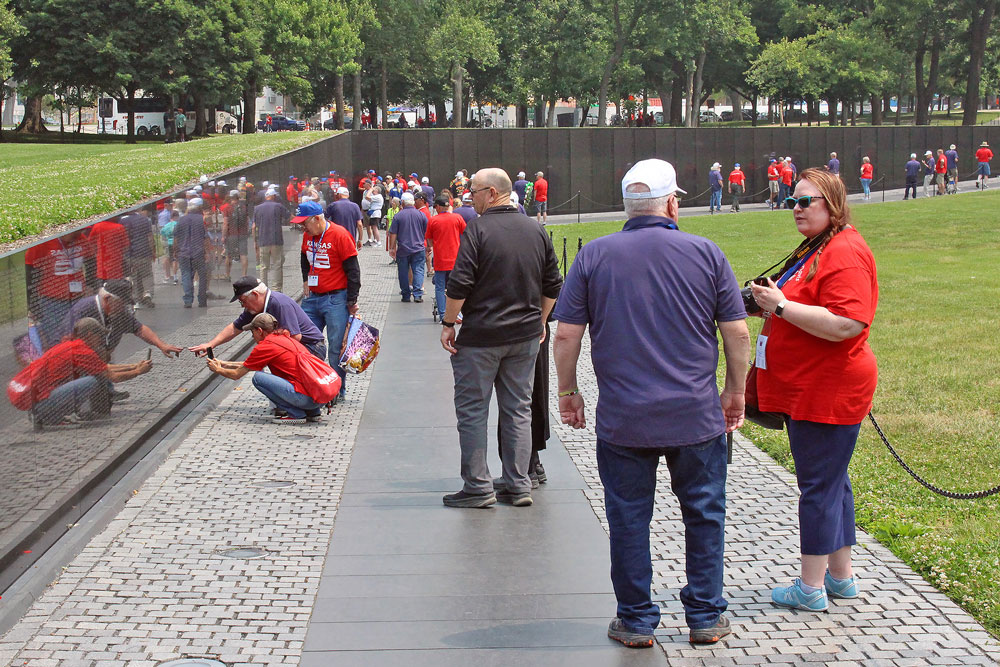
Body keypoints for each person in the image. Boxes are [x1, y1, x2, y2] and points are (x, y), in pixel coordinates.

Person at [553, 158, 748, 647]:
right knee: (705, 513)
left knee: (628, 518)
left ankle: (636, 619)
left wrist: (568, 391)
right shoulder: (706, 252)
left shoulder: (594, 255)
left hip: (624, 418)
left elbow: (566, 336)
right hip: (695, 416)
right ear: (672, 203)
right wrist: (735, 391)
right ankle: (705, 615)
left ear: (628, 205)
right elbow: (738, 332)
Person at [749, 168, 878, 614]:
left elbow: (848, 323)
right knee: (832, 483)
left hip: (828, 390)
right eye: (792, 201)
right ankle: (840, 578)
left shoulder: (844, 251)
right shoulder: (820, 245)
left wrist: (781, 305)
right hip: (811, 386)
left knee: (818, 488)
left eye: (806, 202)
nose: (797, 209)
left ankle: (810, 587)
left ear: (834, 204)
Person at [439, 168, 562, 509]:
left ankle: (478, 486)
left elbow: (459, 283)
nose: (470, 198)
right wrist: (540, 319)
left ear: (492, 193)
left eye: (474, 192)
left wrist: (449, 322)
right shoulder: (536, 229)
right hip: (524, 336)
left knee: (473, 411)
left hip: (482, 337)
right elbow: (553, 283)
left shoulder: (477, 230)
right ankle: (518, 483)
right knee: (518, 409)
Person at [8, 317, 152, 429]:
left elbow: (104, 367)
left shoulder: (72, 345)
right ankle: (45, 415)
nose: (101, 339)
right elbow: (112, 377)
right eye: (99, 335)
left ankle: (45, 413)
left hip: (38, 396)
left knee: (90, 377)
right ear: (89, 335)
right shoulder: (82, 351)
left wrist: (134, 366)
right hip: (40, 400)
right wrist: (138, 372)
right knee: (90, 382)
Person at [206, 313, 335, 423]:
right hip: (317, 397)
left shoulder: (265, 346)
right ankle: (313, 413)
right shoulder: (284, 338)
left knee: (258, 378)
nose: (252, 337)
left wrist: (217, 370)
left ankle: (296, 414)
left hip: (305, 399)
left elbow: (236, 374)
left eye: (253, 332)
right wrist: (223, 363)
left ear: (260, 331)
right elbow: (249, 364)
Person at [293, 200, 360, 401]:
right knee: (305, 342)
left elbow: (353, 270)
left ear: (317, 219)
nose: (302, 227)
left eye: (304, 222)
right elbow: (304, 257)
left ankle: (336, 390)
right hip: (312, 299)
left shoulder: (339, 235)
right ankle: (312, 385)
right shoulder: (308, 235)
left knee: (335, 345)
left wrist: (352, 300)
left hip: (336, 298)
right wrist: (306, 279)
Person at [190, 277, 327, 365]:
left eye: (243, 301)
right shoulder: (255, 308)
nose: (243, 306)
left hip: (312, 348)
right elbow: (235, 328)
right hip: (300, 348)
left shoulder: (279, 304)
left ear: (255, 295)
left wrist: (266, 353)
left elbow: (295, 337)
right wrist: (211, 344)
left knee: (273, 362)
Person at [59, 278, 182, 359]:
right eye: (121, 303)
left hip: (101, 359)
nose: (124, 307)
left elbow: (139, 329)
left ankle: (108, 390)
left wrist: (161, 345)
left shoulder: (118, 313)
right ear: (107, 299)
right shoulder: (83, 310)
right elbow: (66, 342)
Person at [425, 195, 467, 314]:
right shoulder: (457, 218)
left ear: (438, 207)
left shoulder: (433, 220)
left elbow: (429, 241)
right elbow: (466, 233)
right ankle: (457, 313)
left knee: (439, 287)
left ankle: (443, 314)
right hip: (456, 259)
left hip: (440, 260)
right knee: (456, 287)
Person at [388, 192, 427, 302]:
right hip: (419, 248)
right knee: (418, 270)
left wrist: (392, 248)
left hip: (403, 249)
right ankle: (418, 294)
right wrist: (428, 246)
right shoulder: (421, 215)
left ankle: (406, 295)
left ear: (403, 202)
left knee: (403, 272)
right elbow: (427, 232)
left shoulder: (398, 216)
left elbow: (393, 233)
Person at [174, 197, 209, 308]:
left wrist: (175, 250)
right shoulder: (201, 220)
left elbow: (175, 238)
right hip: (199, 252)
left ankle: (188, 300)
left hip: (184, 252)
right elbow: (205, 237)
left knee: (186, 275)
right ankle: (202, 300)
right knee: (202, 275)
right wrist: (207, 252)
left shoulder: (180, 220)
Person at [252, 189, 290, 293]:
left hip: (263, 240)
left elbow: (254, 225)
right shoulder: (278, 206)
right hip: (276, 239)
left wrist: (255, 240)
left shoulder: (257, 208)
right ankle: (276, 289)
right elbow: (288, 216)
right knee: (277, 264)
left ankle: (263, 288)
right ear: (273, 196)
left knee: (264, 266)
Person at [119, 207, 156, 307]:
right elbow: (150, 236)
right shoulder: (144, 219)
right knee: (147, 274)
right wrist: (152, 250)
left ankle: (137, 299)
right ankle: (148, 293)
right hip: (144, 251)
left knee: (135, 276)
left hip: (130, 253)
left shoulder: (122, 221)